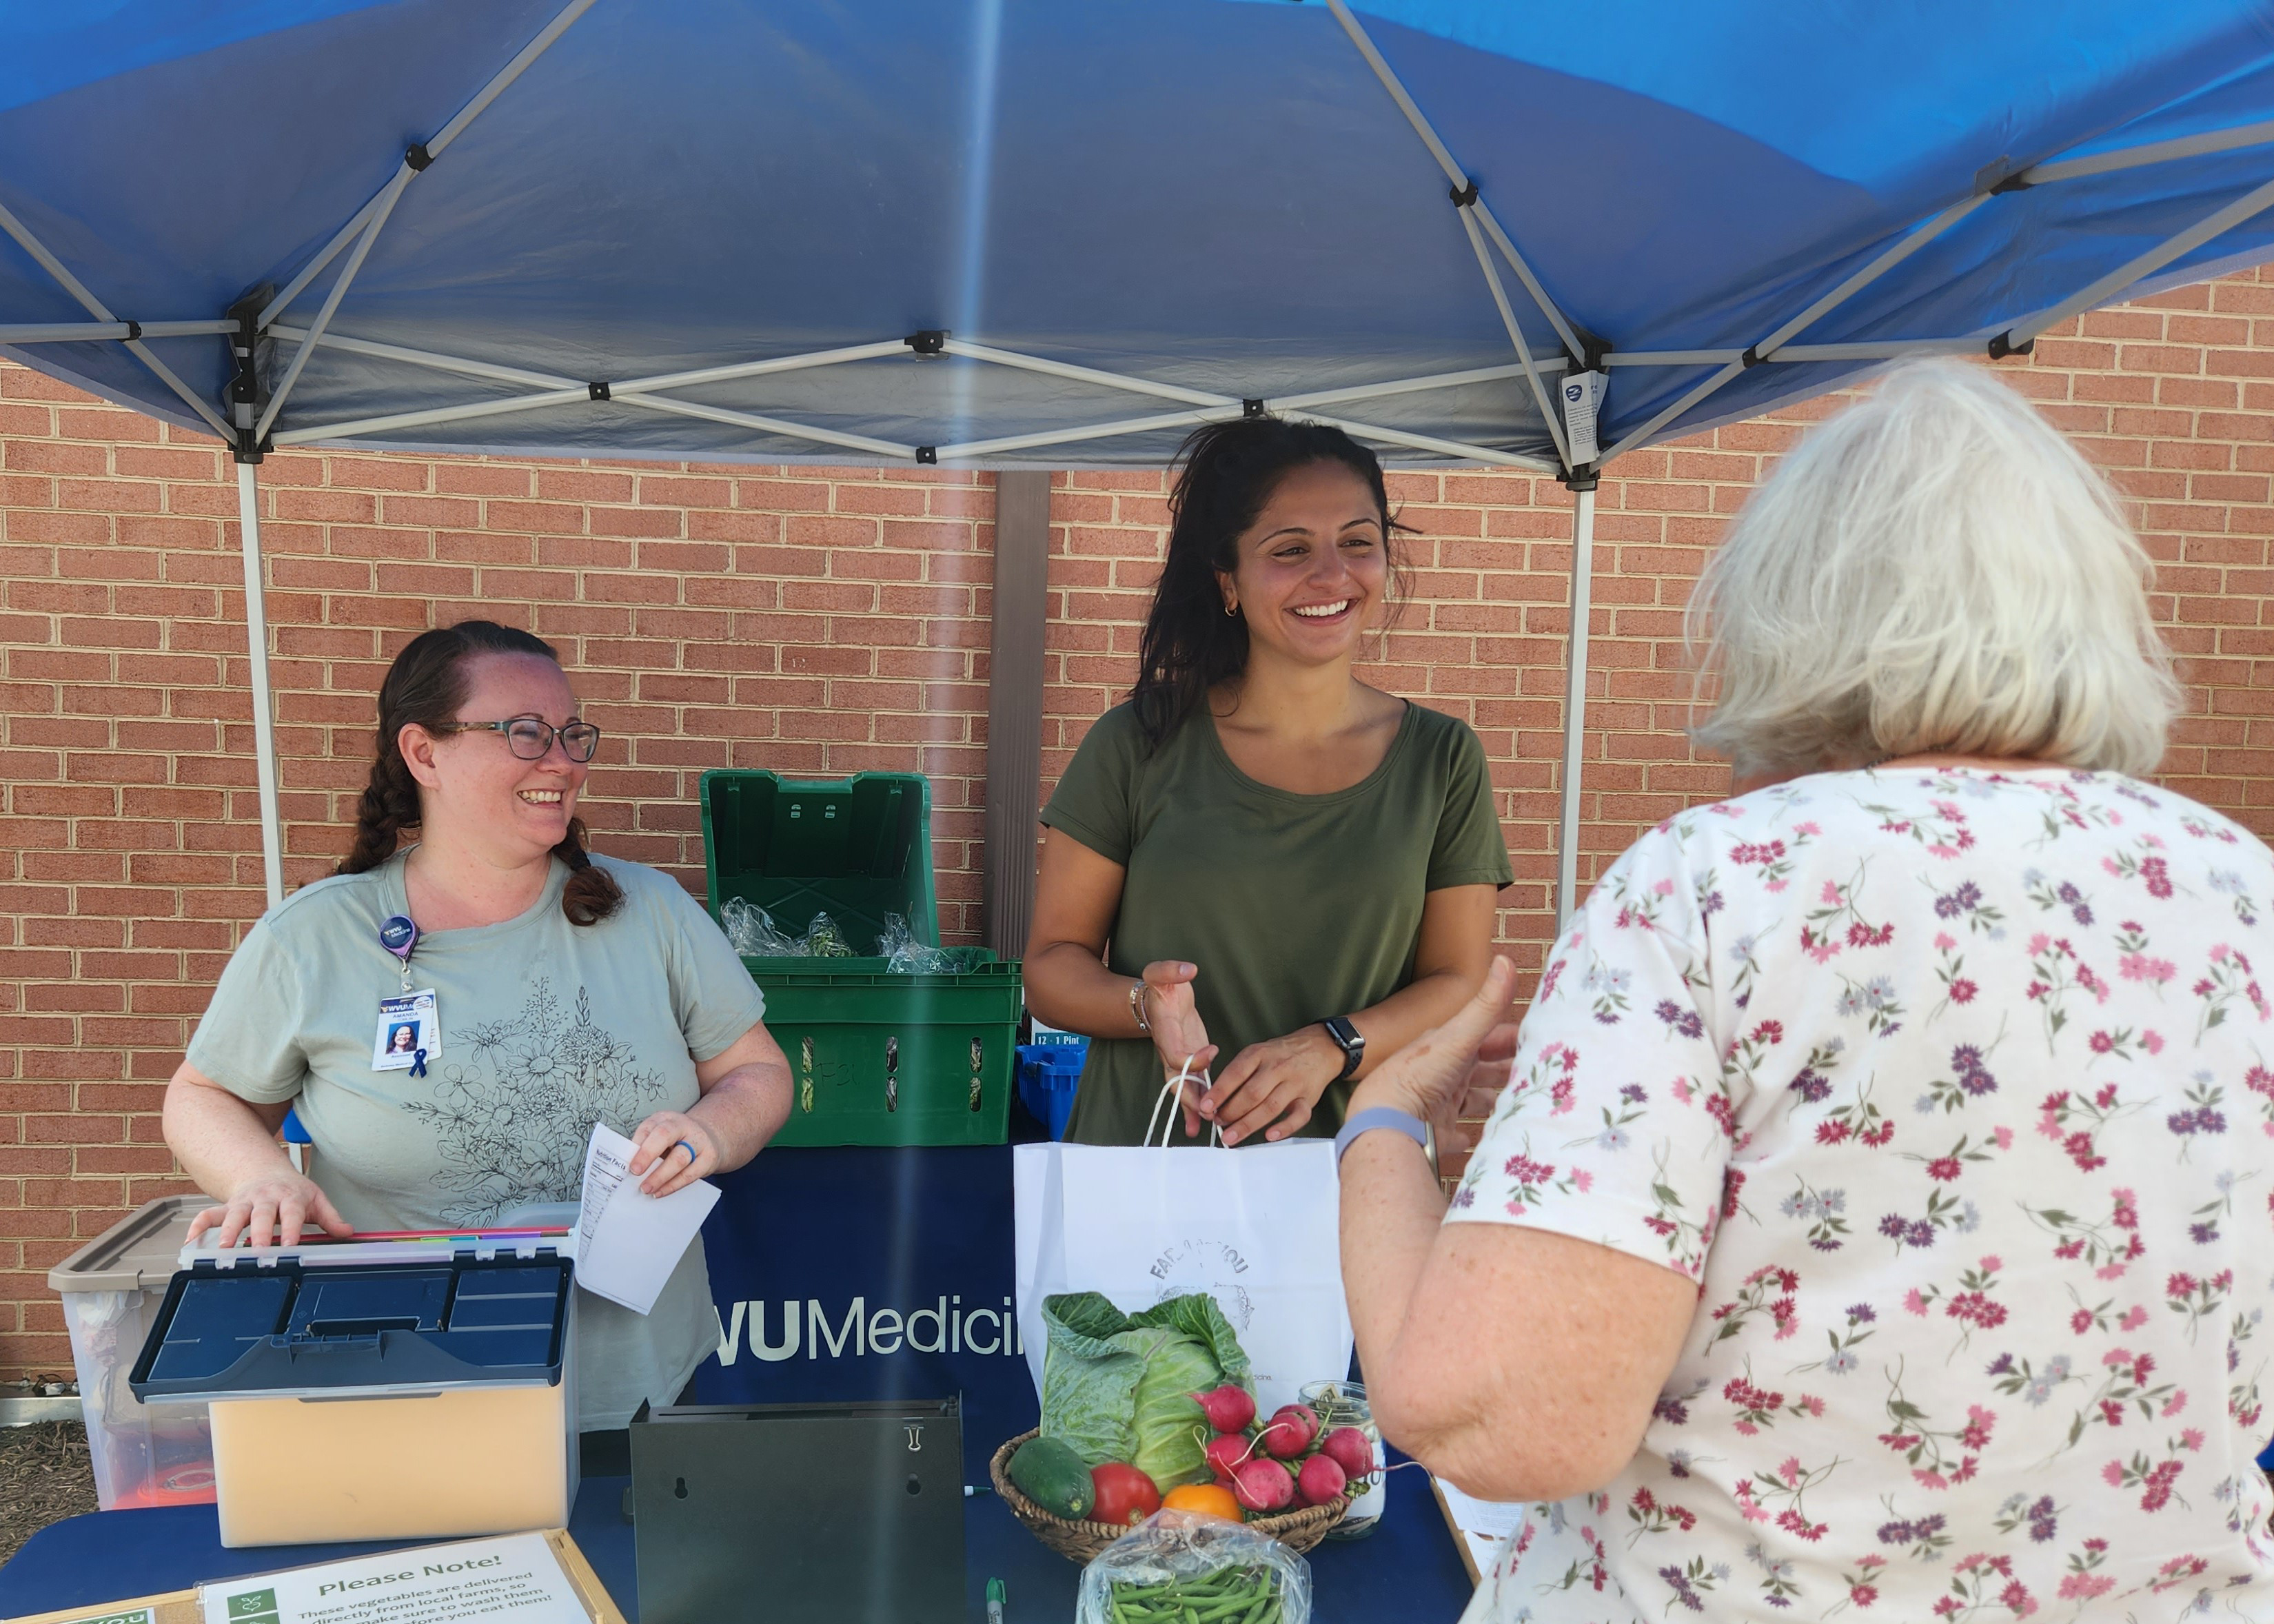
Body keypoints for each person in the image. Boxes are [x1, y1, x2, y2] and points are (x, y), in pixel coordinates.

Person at [1335, 360, 2274, 1620]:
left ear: (1785, 613)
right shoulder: (2242, 891)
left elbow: (1499, 1415)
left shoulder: (1717, 883)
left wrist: (1382, 1128)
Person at [163, 620, 791, 1437]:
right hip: (408, 1386)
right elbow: (202, 1093)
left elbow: (760, 1071)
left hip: (636, 1392)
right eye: (525, 732)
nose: (561, 760)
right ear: (423, 753)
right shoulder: (316, 936)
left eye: (571, 734)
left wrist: (710, 1130)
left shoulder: (653, 913)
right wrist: (259, 1176)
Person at [1024, 418, 1510, 1147]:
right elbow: (1051, 966)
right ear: (1228, 580)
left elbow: (1456, 979)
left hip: (1350, 1180)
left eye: (1356, 541)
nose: (1330, 575)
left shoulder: (1441, 758)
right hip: (1143, 1172)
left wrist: (1331, 1044)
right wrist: (1142, 1005)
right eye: (1289, 550)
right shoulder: (1136, 743)